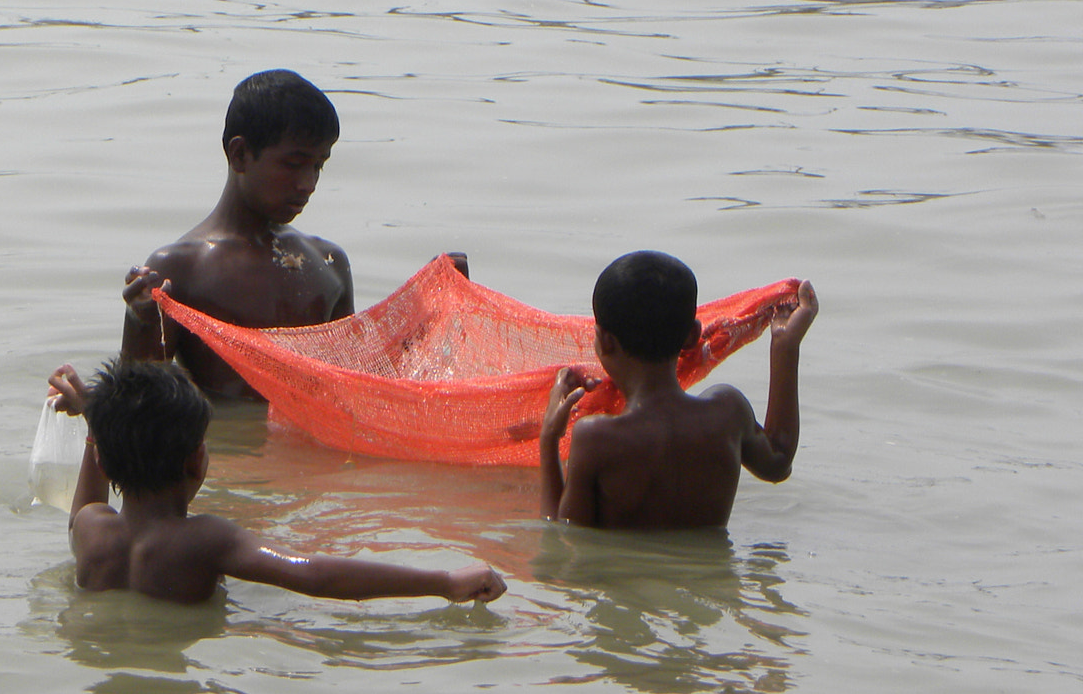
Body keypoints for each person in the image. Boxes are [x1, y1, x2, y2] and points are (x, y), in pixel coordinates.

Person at [49, 357, 507, 606]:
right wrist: (443, 582)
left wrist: (96, 416)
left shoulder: (92, 530)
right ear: (197, 460)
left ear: (101, 459)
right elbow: (310, 574)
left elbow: (88, 493)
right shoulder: (206, 539)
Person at [120, 70, 464, 400]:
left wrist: (428, 310)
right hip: (232, 455)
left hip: (312, 450)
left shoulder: (329, 264)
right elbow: (139, 406)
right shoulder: (180, 268)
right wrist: (141, 323)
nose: (308, 184)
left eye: (319, 165)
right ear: (239, 154)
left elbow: (360, 383)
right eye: (293, 163)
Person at [539, 251, 819, 529]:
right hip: (709, 575)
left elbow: (563, 536)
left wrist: (549, 438)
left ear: (604, 341)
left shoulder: (595, 438)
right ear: (693, 335)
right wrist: (785, 346)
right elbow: (779, 463)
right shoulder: (728, 414)